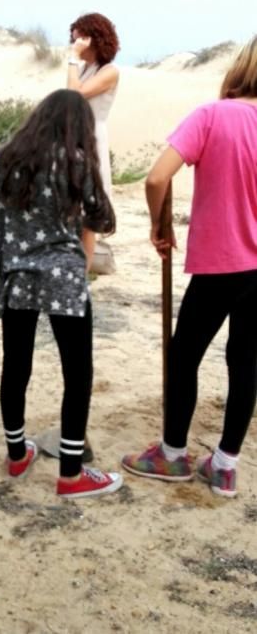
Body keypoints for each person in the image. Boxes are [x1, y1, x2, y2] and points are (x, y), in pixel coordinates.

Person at [122, 37, 257, 499]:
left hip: (221, 263)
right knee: (246, 362)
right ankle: (225, 465)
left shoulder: (212, 114)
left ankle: (173, 453)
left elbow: (158, 176)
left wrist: (160, 227)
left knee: (184, 356)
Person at [0, 89, 123, 498]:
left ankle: (16, 454)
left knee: (16, 364)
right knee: (77, 373)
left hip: (17, 276)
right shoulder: (77, 162)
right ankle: (71, 473)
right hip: (65, 276)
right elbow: (103, 218)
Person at [66, 13, 120, 199]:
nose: (76, 45)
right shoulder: (83, 69)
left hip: (92, 133)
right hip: (75, 133)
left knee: (91, 195)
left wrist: (73, 57)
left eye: (80, 40)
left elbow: (75, 93)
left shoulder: (109, 71)